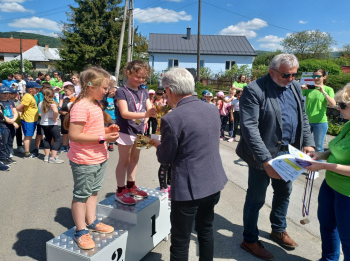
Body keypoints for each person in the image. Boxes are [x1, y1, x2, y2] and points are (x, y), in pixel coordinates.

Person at [236, 53, 315, 260]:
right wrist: (266, 160)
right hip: (261, 155)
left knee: (283, 193)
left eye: (294, 75)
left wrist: (308, 142)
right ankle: (250, 240)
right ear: (272, 72)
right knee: (256, 199)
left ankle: (278, 229)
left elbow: (303, 116)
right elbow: (249, 127)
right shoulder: (254, 90)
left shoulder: (295, 86)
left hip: (288, 153)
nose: (291, 79)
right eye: (286, 75)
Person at [150, 68, 227, 261]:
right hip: (213, 181)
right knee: (206, 230)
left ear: (169, 90)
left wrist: (157, 144)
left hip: (188, 188)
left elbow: (165, 158)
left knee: (181, 240)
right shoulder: (210, 108)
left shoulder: (172, 118)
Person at [64, 66, 119, 250]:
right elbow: (74, 135)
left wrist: (107, 131)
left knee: (93, 192)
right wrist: (103, 137)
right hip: (84, 159)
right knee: (81, 195)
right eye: (104, 88)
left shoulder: (95, 104)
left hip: (99, 157)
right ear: (90, 86)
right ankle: (80, 230)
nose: (107, 91)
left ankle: (92, 221)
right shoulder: (81, 107)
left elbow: (93, 131)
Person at [305, 83, 350, 261]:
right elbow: (337, 148)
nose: (338, 108)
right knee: (327, 224)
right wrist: (320, 154)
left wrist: (323, 166)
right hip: (331, 185)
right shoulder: (348, 126)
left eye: (343, 105)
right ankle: (329, 259)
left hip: (347, 193)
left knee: (347, 237)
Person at [114, 60, 156, 205]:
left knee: (135, 158)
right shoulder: (121, 91)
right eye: (137, 76)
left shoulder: (144, 90)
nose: (141, 80)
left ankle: (131, 186)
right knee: (124, 160)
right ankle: (120, 190)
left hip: (140, 131)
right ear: (128, 73)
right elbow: (125, 113)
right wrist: (146, 115)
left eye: (143, 77)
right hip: (126, 131)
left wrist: (155, 112)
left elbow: (149, 108)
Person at [301, 69, 336, 152]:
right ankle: (304, 164)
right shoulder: (309, 88)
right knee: (304, 146)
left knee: (318, 147)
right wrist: (301, 88)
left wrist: (323, 92)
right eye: (314, 76)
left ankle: (319, 164)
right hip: (306, 122)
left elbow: (333, 104)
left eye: (318, 76)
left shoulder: (328, 89)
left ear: (324, 77)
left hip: (320, 122)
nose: (315, 78)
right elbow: (295, 98)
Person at [16, 81, 42, 158]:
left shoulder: (32, 96)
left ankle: (27, 150)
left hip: (32, 119)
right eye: (36, 89)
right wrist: (24, 111)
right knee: (28, 136)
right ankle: (27, 153)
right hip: (28, 120)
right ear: (30, 89)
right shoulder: (28, 97)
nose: (38, 90)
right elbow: (18, 108)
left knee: (29, 136)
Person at [0, 86, 18, 166]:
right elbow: (1, 114)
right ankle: (3, 158)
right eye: (3, 93)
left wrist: (14, 119)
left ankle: (7, 156)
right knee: (3, 142)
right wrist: (12, 122)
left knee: (10, 141)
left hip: (11, 124)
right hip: (3, 125)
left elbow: (15, 112)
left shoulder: (10, 102)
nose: (5, 95)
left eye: (7, 93)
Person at [59, 82, 75, 152]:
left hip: (71, 118)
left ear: (72, 91)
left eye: (66, 91)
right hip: (64, 118)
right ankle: (64, 145)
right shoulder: (64, 98)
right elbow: (60, 107)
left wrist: (67, 99)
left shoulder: (75, 99)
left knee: (71, 132)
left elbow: (66, 107)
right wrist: (60, 111)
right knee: (65, 132)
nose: (65, 93)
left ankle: (72, 146)